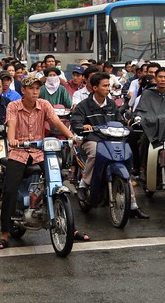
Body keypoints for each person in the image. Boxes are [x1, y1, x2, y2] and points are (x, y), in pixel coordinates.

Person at [0, 75, 80, 250]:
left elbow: (56, 122)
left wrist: (71, 136)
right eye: (31, 88)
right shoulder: (13, 106)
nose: (35, 91)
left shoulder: (44, 104)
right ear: (23, 91)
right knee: (10, 189)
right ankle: (5, 232)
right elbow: (11, 124)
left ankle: (71, 227)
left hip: (40, 151)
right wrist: (12, 140)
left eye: (37, 88)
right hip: (18, 152)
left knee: (57, 182)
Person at [70, 72, 149, 219]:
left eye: (109, 86)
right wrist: (83, 126)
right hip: (92, 140)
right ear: (94, 88)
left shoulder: (112, 104)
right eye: (105, 86)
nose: (108, 89)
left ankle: (132, 205)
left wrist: (128, 124)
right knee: (94, 153)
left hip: (113, 140)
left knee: (125, 161)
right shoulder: (84, 105)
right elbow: (76, 123)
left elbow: (120, 121)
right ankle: (84, 183)